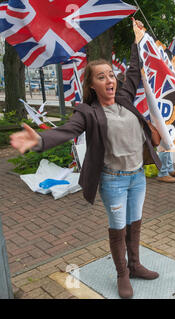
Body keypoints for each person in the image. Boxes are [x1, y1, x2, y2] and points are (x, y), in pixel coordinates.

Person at [10, 19, 160, 299]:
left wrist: (137, 38)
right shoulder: (87, 112)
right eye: (101, 76)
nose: (110, 80)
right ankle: (122, 274)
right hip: (113, 181)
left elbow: (135, 69)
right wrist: (40, 141)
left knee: (135, 223)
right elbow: (68, 130)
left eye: (111, 75)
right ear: (92, 84)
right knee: (118, 229)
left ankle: (136, 264)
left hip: (137, 177)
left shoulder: (125, 97)